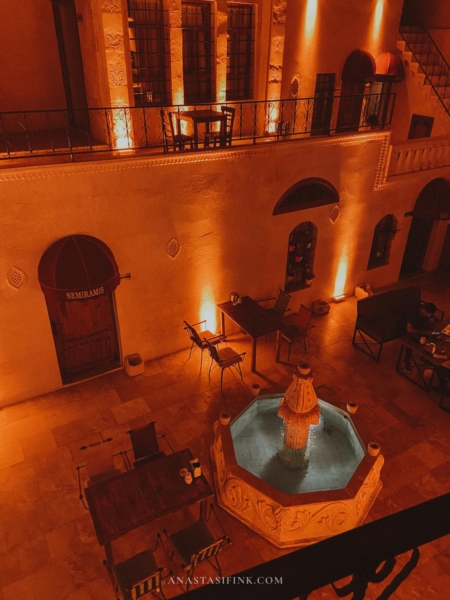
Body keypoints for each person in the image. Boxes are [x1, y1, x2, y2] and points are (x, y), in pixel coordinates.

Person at [404, 302, 437, 373]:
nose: (429, 316)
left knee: (432, 337)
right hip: (406, 331)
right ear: (423, 310)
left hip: (419, 329)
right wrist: (424, 332)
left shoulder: (424, 314)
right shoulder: (413, 313)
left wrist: (433, 330)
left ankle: (424, 358)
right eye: (428, 314)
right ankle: (406, 361)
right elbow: (409, 329)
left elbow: (430, 321)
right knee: (414, 341)